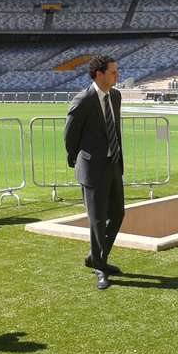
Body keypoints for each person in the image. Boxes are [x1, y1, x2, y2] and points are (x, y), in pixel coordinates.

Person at [64, 55, 126, 290]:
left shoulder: (116, 96)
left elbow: (115, 130)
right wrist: (76, 160)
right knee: (98, 220)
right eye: (112, 72)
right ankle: (101, 266)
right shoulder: (83, 100)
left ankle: (95, 257)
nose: (116, 76)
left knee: (118, 214)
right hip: (92, 168)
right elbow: (70, 135)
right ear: (98, 74)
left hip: (113, 164)